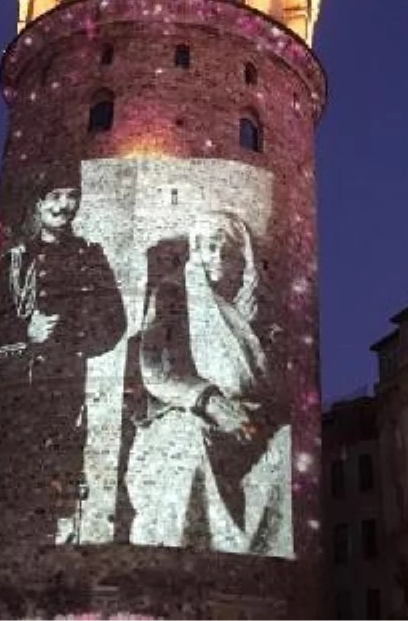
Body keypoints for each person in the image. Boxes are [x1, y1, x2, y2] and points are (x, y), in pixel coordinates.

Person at [124, 211, 292, 557]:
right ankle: (188, 562)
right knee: (188, 442)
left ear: (240, 258)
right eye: (204, 248)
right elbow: (155, 368)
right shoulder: (173, 293)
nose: (213, 257)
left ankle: (259, 566)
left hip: (249, 418)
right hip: (186, 411)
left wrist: (253, 413)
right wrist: (209, 401)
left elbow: (273, 380)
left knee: (287, 447)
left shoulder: (260, 310)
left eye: (222, 249)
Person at [0, 164, 126, 546]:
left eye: (71, 197)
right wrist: (24, 333)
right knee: (7, 484)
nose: (64, 206)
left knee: (55, 482)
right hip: (15, 395)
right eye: (55, 197)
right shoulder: (14, 260)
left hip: (64, 391)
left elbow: (114, 322)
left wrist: (70, 339)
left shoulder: (90, 256)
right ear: (39, 203)